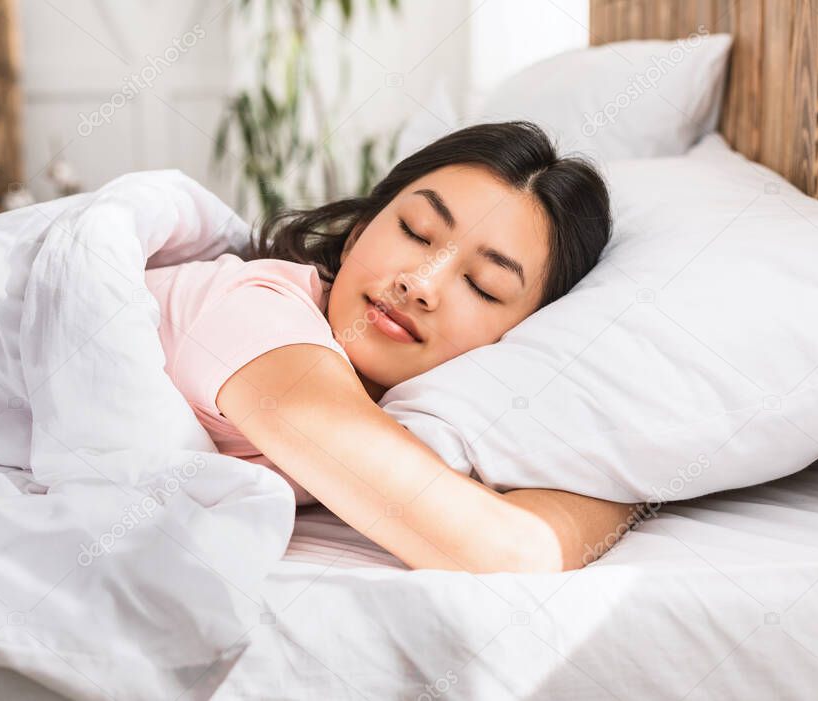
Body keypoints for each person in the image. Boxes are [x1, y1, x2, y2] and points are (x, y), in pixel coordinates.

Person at [146, 121, 639, 573]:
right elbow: (505, 549)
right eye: (415, 231)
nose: (420, 283)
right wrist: (631, 493)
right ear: (359, 231)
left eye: (483, 285)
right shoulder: (258, 318)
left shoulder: (418, 414)